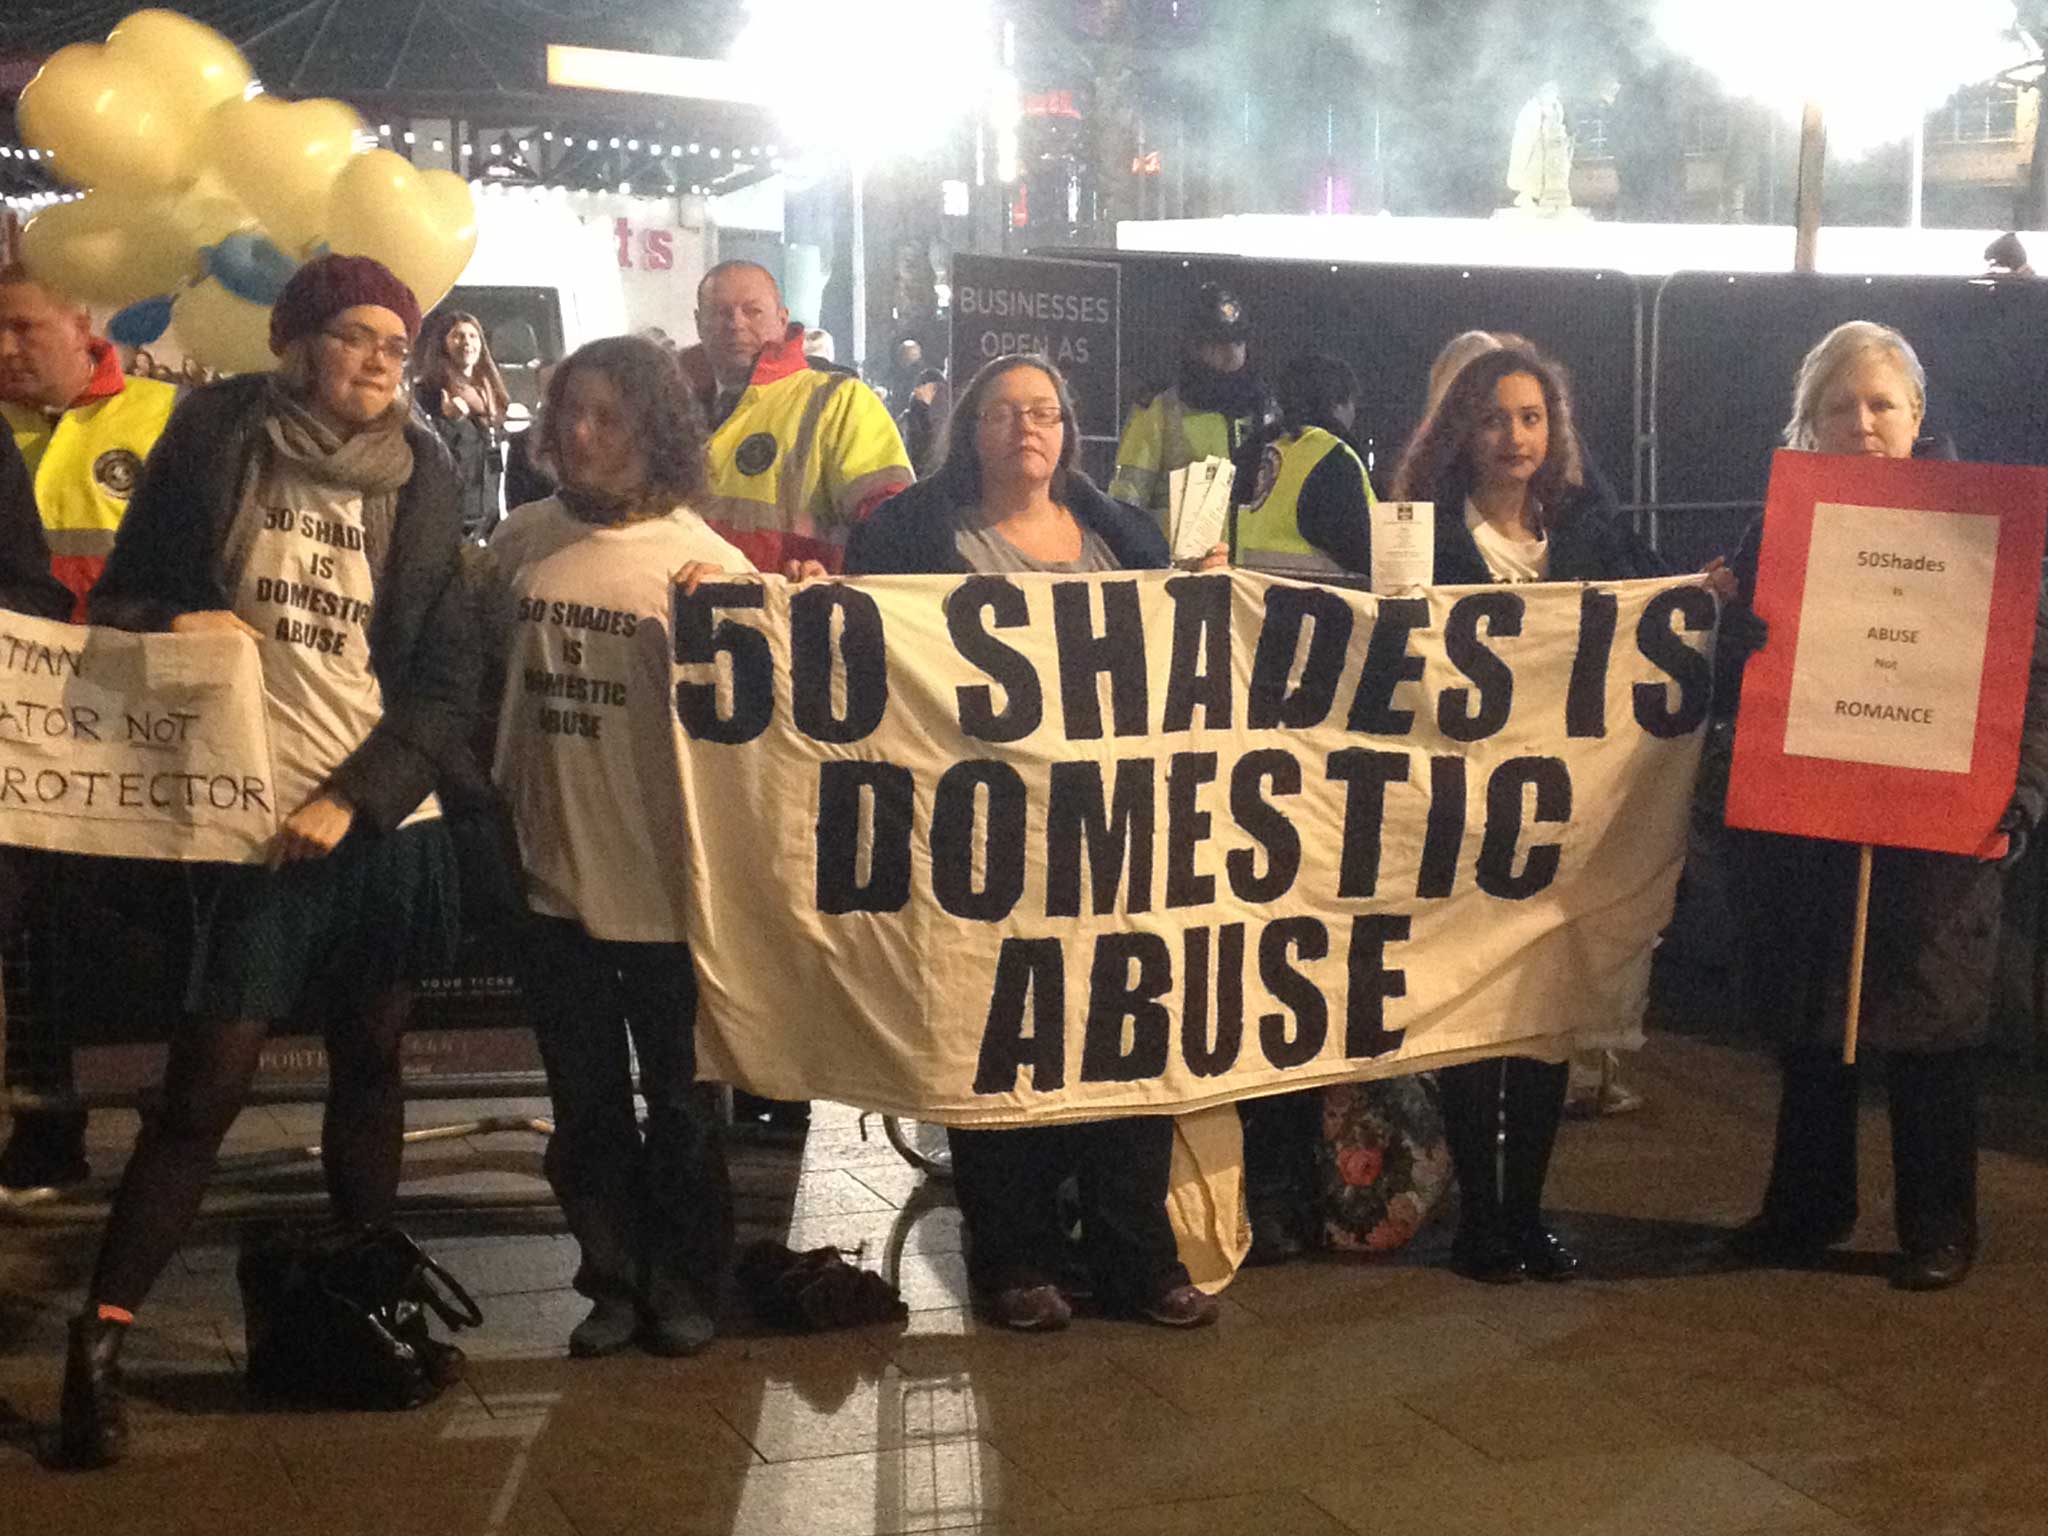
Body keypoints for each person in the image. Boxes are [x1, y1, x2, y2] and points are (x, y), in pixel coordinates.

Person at [58, 255, 478, 1468]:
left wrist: (359, 797)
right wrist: (168, 619)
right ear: (296, 345)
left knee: (373, 1059)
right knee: (202, 1094)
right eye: (353, 338)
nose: (377, 362)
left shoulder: (433, 472)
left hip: (384, 827)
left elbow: (447, 685)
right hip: (248, 823)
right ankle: (101, 1340)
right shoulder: (218, 435)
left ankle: (363, 1302)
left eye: (394, 345)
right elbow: (125, 603)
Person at [844, 354, 1220, 1332]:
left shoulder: (1120, 538)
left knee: (1128, 1041)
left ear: (1068, 432)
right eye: (1005, 412)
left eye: (1044, 411)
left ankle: (1134, 1257)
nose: (1026, 428)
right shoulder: (913, 540)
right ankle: (1013, 1255)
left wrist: (1202, 598)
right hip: (985, 842)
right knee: (999, 1041)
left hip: (1114, 843)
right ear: (970, 431)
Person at [1720, 321, 2048, 1293]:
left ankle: (1936, 1224)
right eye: (1838, 405)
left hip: (1940, 818)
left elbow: (2030, 679)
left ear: (1915, 414)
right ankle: (1804, 1207)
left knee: (1931, 1026)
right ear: (1807, 421)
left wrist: (2017, 802)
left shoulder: (1979, 525)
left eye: (1878, 404)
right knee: (1815, 1023)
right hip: (1806, 821)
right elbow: (1728, 673)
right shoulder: (1770, 525)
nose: (1860, 423)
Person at [479, 336, 747, 1360]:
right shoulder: (517, 541)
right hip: (549, 875)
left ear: (656, 433)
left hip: (669, 882)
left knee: (681, 1108)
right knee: (583, 1105)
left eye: (609, 418)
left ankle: (684, 1282)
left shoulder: (705, 563)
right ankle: (610, 1280)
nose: (583, 437)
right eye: (569, 415)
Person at [1391, 345, 1673, 1284]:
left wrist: (1698, 599)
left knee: (1548, 1018)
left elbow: (1654, 606)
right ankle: (1481, 1218)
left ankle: (1526, 1212)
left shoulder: (1590, 524)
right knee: (1480, 1016)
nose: (1514, 437)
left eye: (1531, 417)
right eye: (1493, 418)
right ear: (1460, 431)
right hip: (1464, 817)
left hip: (1567, 820)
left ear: (1554, 430)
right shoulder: (1419, 534)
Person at [0, 264, 180, 1194]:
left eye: (22, 328)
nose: (4, 349)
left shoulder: (159, 419)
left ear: (82, 320)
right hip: (17, 735)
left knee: (127, 932)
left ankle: (165, 1128)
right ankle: (44, 1129)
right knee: (28, 945)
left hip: (127, 727)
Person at [682, 263, 911, 579]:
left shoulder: (838, 401)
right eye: (720, 312)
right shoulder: (670, 407)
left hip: (795, 614)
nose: (735, 323)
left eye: (753, 311)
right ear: (698, 322)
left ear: (782, 318)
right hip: (677, 614)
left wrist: (836, 576)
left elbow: (893, 525)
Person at [1110, 282, 1277, 527]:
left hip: (1245, 561)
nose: (1231, 353)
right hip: (1175, 563)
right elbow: (1126, 502)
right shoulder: (1159, 410)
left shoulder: (1267, 410)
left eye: (1238, 342)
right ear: (1194, 346)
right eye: (1219, 344)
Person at [1233, 351, 1377, 578]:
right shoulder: (1332, 458)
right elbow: (1364, 552)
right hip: (1317, 604)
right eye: (1353, 405)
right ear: (1338, 404)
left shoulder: (1253, 451)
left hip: (1245, 603)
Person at [415, 310, 509, 542]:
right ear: (443, 344)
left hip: (486, 522)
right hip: (445, 524)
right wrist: (449, 421)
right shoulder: (428, 394)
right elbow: (426, 456)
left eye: (473, 336)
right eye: (457, 336)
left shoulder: (490, 396)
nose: (467, 342)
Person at [894, 366, 950, 475]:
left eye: (940, 389)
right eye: (934, 388)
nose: (938, 393)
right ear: (918, 390)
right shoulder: (907, 419)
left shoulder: (944, 413)